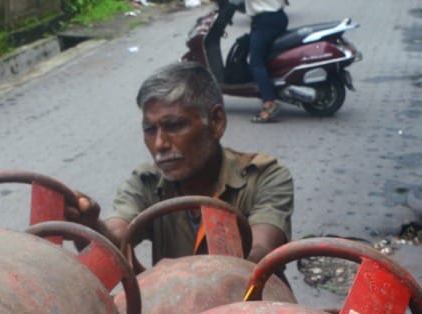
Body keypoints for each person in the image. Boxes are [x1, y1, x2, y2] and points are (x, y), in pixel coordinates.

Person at [72, 61, 293, 267]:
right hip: (175, 305)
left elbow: (261, 249)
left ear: (216, 122)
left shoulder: (265, 177)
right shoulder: (146, 181)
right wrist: (90, 225)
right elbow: (117, 234)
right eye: (150, 130)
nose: (160, 144)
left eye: (174, 126)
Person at [243, 0, 288, 123]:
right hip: (279, 16)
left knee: (256, 62)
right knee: (266, 56)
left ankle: (269, 103)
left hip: (265, 22)